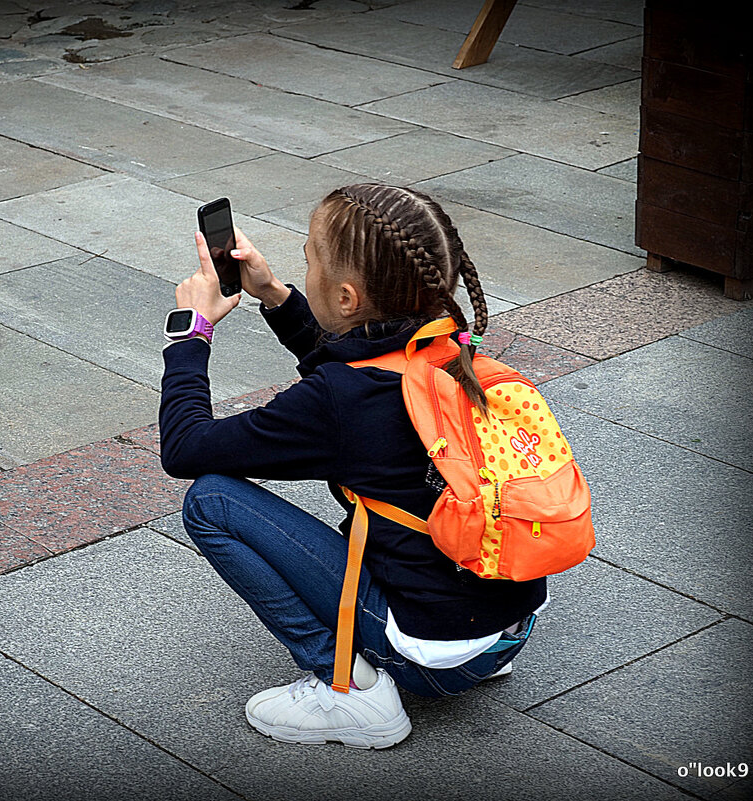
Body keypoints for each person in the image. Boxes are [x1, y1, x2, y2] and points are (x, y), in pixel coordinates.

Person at [159, 184, 547, 749]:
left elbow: (185, 448)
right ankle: (471, 655)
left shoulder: (341, 399)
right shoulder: (450, 345)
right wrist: (273, 294)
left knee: (210, 500)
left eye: (310, 258)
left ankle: (350, 692)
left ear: (345, 298)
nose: (305, 267)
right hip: (507, 631)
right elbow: (350, 367)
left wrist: (189, 332)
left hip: (431, 659)